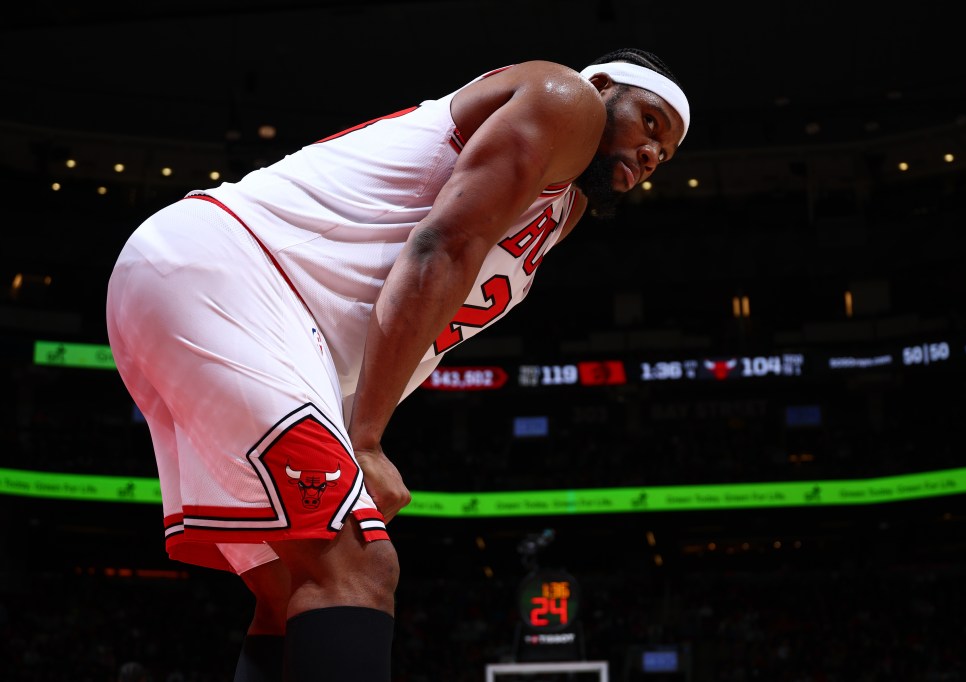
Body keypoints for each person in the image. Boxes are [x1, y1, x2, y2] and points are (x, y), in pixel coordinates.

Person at [105, 47, 689, 681]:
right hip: (231, 275)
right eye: (649, 123)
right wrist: (366, 441)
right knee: (359, 565)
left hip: (244, 312)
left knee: (291, 590)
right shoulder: (566, 98)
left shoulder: (564, 209)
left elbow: (421, 323)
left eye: (665, 154)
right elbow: (442, 246)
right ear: (601, 85)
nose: (651, 155)